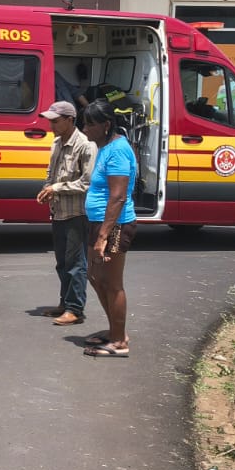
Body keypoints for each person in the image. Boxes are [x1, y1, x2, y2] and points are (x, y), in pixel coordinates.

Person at [80, 101, 139, 357]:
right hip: (99, 223)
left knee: (112, 283)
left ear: (105, 125)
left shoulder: (118, 151)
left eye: (90, 125)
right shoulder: (105, 148)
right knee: (95, 277)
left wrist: (104, 235)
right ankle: (114, 330)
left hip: (115, 226)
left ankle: (119, 341)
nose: (85, 129)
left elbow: (117, 197)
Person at [35, 100, 96, 325]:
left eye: (56, 121)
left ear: (70, 120)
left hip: (77, 212)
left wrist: (56, 188)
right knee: (62, 262)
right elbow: (51, 172)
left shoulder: (85, 145)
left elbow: (87, 183)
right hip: (59, 211)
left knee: (76, 263)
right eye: (50, 120)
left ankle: (75, 309)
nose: (51, 125)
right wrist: (46, 189)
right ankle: (65, 303)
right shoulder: (57, 142)